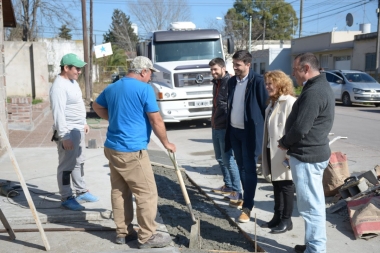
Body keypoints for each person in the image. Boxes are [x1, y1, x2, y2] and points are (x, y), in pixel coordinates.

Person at [92, 56, 176, 249]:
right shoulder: (144, 89)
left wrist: (113, 118)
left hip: (112, 147)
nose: (150, 78)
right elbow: (156, 120)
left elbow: (97, 106)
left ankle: (123, 232)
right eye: (150, 74)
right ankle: (147, 236)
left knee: (120, 191)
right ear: (143, 71)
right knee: (147, 193)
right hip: (132, 150)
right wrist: (166, 143)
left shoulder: (113, 87)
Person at [278, 52, 335, 253]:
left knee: (311, 208)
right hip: (311, 155)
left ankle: (316, 249)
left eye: (295, 70)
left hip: (308, 157)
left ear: (306, 69)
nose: (293, 74)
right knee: (312, 205)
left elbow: (301, 128)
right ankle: (312, 244)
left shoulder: (314, 92)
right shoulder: (317, 87)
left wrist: (284, 142)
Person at [50, 53, 99, 211]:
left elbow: (77, 104)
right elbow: (58, 113)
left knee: (79, 161)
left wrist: (83, 122)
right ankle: (66, 197)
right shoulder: (58, 87)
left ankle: (81, 191)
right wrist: (64, 136)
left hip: (77, 129)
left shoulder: (72, 82)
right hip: (68, 131)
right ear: (66, 68)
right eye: (76, 68)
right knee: (66, 165)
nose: (79, 71)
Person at [225, 50, 269, 223]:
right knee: (241, 167)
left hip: (250, 133)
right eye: (234, 64)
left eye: (238, 65)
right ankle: (245, 198)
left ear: (248, 64)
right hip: (234, 132)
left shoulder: (257, 82)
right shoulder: (232, 82)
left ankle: (248, 207)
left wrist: (267, 136)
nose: (235, 68)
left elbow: (266, 108)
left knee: (249, 170)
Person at [260, 70, 296, 234]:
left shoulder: (289, 102)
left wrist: (289, 154)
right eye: (266, 83)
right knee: (276, 184)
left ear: (280, 83)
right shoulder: (273, 102)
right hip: (271, 149)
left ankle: (287, 220)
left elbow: (293, 130)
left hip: (283, 151)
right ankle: (277, 216)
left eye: (270, 83)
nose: (267, 86)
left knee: (286, 186)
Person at [208, 58, 242, 204]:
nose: (213, 72)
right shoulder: (216, 83)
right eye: (211, 70)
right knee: (220, 158)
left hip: (225, 127)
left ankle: (237, 191)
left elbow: (229, 106)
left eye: (215, 69)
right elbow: (216, 104)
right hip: (216, 125)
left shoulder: (230, 82)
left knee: (229, 159)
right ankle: (228, 185)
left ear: (223, 68)